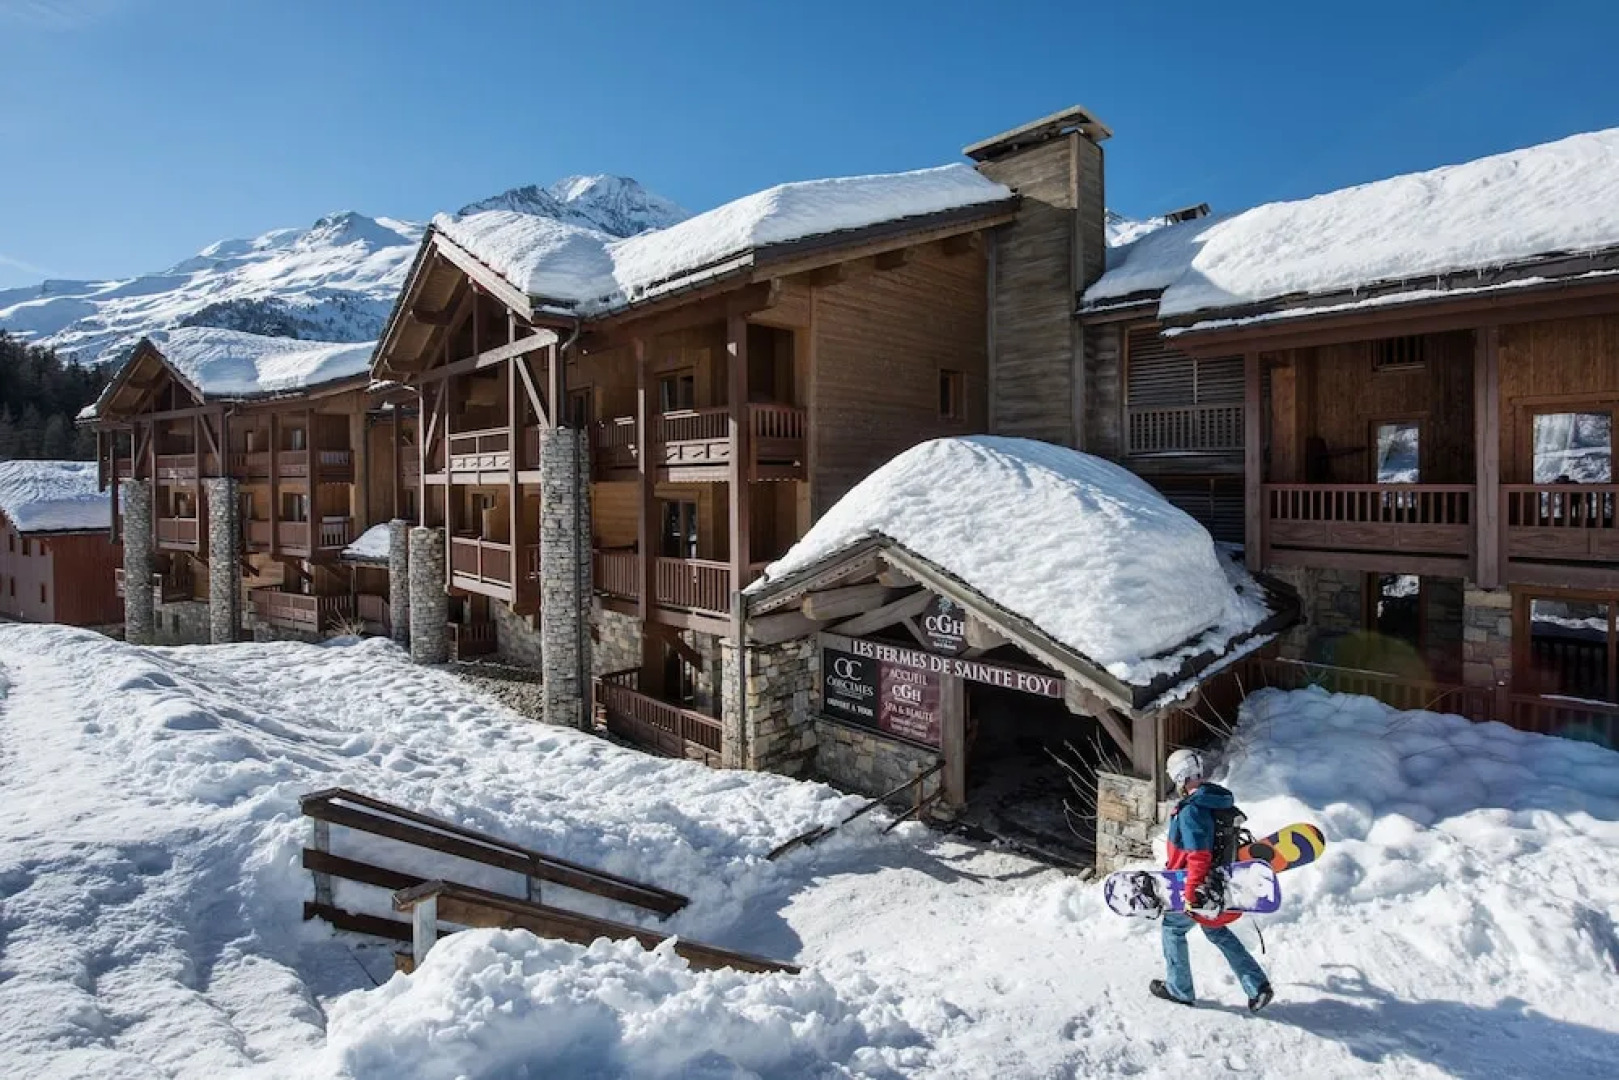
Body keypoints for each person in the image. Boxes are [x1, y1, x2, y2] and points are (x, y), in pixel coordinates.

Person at [1149, 748, 1274, 1012]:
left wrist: (1192, 891)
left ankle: (1179, 989)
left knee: (1173, 928)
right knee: (1215, 930)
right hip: (1219, 883)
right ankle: (1257, 986)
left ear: (1179, 776)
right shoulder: (1216, 800)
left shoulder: (1191, 811)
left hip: (1198, 885)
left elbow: (1199, 855)